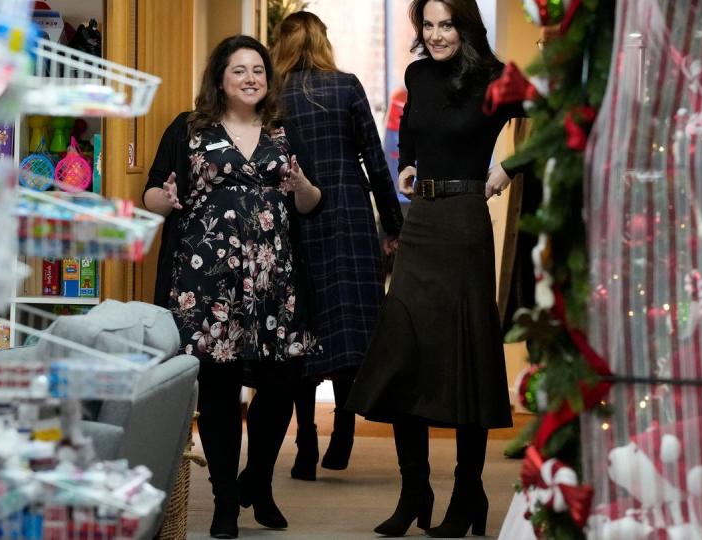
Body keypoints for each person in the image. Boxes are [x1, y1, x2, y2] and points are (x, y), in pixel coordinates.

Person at [346, 0, 525, 537]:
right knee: (405, 355)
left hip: (467, 224)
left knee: (464, 357)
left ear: (466, 25)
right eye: (428, 24)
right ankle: (414, 490)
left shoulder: (498, 79)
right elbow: (413, 138)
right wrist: (403, 166)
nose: (437, 34)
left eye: (447, 23)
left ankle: (468, 491)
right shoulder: (417, 74)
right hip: (420, 222)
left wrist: (509, 168)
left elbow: (556, 119)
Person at [144, 35, 323, 539]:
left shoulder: (284, 132)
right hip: (207, 281)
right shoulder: (190, 129)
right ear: (220, 78)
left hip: (275, 280)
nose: (250, 78)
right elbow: (152, 193)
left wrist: (302, 187)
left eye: (258, 71)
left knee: (282, 383)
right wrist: (168, 197)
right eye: (239, 70)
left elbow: (309, 202)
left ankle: (258, 483)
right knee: (220, 390)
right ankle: (225, 502)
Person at [270, 11, 403, 481]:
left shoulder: (273, 95)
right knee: (349, 324)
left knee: (304, 325)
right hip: (348, 213)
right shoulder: (346, 86)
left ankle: (306, 441)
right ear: (323, 42)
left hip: (296, 218)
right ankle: (343, 426)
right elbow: (376, 159)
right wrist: (393, 223)